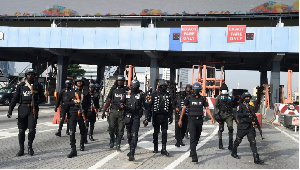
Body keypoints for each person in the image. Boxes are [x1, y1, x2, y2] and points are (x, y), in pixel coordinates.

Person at [7, 68, 46, 156]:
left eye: (32, 74)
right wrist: (10, 110)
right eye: (28, 74)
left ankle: (30, 147)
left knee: (32, 130)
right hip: (22, 108)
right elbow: (15, 98)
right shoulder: (21, 85)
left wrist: (36, 103)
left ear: (34, 76)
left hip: (33, 110)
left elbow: (43, 98)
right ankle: (21, 149)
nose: (30, 75)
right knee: (21, 130)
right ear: (26, 75)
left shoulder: (38, 85)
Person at [178, 82, 215, 162]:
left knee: (197, 137)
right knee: (192, 137)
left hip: (200, 120)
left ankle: (192, 149)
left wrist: (212, 118)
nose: (196, 91)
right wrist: (180, 119)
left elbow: (207, 109)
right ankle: (194, 155)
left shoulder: (203, 99)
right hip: (191, 120)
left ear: (199, 90)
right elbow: (184, 109)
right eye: (195, 89)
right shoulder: (189, 98)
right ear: (192, 90)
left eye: (197, 90)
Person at [231, 92, 264, 164]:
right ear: (243, 98)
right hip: (242, 127)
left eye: (249, 98)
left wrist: (255, 122)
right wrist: (245, 114)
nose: (248, 99)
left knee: (253, 142)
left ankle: (256, 158)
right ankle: (233, 152)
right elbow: (237, 114)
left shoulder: (250, 106)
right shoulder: (240, 106)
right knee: (238, 141)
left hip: (250, 127)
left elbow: (253, 115)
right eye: (246, 98)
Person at [144, 79, 173, 156]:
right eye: (163, 86)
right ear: (160, 86)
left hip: (165, 116)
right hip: (156, 116)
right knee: (156, 132)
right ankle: (155, 147)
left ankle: (164, 148)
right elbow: (149, 106)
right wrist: (147, 118)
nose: (164, 87)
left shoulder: (168, 95)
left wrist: (171, 116)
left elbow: (170, 107)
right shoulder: (154, 94)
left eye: (165, 86)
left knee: (164, 132)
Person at [119, 79, 145, 161]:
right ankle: (131, 148)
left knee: (134, 134)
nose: (134, 88)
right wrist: (121, 105)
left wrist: (147, 118)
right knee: (129, 135)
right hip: (127, 116)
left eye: (135, 86)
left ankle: (132, 152)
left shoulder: (141, 94)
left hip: (136, 116)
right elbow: (121, 102)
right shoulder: (127, 93)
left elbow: (146, 105)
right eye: (132, 86)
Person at [102, 75, 127, 152]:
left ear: (123, 82)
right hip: (113, 111)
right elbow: (109, 100)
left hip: (122, 112)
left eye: (121, 81)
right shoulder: (113, 89)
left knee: (121, 129)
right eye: (118, 80)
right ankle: (112, 138)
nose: (120, 82)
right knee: (111, 127)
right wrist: (104, 111)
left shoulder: (126, 90)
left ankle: (118, 145)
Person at [66, 76, 89, 158]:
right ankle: (73, 149)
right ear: (76, 83)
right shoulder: (72, 92)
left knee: (83, 131)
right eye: (78, 81)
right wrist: (74, 102)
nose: (79, 83)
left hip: (82, 115)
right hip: (73, 114)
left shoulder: (86, 92)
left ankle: (82, 144)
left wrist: (84, 112)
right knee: (72, 132)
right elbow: (67, 103)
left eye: (81, 81)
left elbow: (88, 104)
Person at [214, 84, 234, 150]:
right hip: (221, 115)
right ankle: (220, 142)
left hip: (228, 114)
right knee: (221, 129)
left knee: (231, 128)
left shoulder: (229, 98)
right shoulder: (218, 98)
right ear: (221, 91)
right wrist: (216, 114)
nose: (224, 91)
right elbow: (215, 106)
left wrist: (234, 115)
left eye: (225, 90)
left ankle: (231, 144)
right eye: (223, 90)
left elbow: (232, 107)